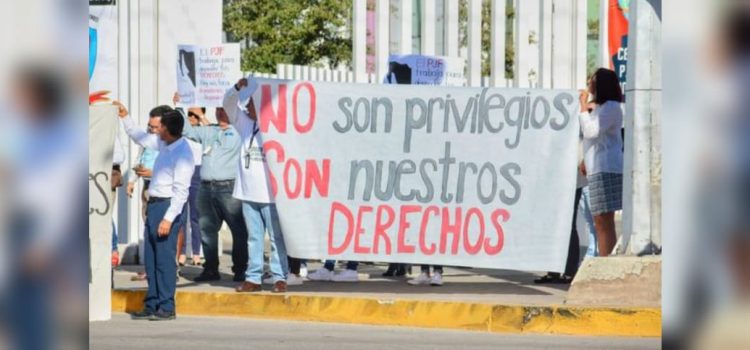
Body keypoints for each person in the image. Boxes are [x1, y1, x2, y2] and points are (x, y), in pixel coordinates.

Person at [116, 102, 195, 321]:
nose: (155, 131)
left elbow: (181, 192)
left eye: (158, 127)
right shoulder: (164, 144)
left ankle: (167, 306)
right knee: (150, 259)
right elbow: (140, 137)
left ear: (168, 130)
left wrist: (168, 219)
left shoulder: (182, 154)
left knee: (164, 260)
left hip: (167, 207)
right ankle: (152, 303)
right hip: (154, 204)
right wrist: (125, 117)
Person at [175, 94, 250, 283]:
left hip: (229, 187)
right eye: (217, 109)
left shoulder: (239, 131)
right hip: (206, 187)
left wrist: (236, 91)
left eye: (223, 109)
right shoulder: (209, 131)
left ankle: (240, 269)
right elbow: (187, 131)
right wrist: (180, 106)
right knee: (207, 229)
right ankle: (210, 269)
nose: (220, 113)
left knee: (238, 230)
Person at [224, 77, 289, 293]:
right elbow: (228, 104)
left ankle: (280, 277)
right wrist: (236, 88)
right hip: (248, 193)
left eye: (251, 102)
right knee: (254, 237)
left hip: (272, 195)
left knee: (276, 237)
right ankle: (254, 277)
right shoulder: (245, 123)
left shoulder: (278, 126)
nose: (247, 106)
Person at [579, 68, 624, 257]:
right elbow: (593, 140)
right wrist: (584, 160)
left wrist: (582, 106)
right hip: (597, 167)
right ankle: (606, 259)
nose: (589, 83)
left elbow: (591, 131)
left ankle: (606, 261)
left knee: (603, 221)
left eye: (593, 80)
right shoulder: (602, 107)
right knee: (601, 221)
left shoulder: (612, 106)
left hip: (605, 168)